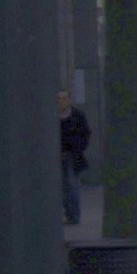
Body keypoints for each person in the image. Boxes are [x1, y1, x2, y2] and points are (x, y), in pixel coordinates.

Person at [58, 90, 90, 226]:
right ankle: (68, 213)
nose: (61, 101)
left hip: (72, 155)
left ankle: (73, 215)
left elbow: (86, 133)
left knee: (72, 186)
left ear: (70, 100)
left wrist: (78, 147)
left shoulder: (78, 115)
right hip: (58, 155)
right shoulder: (53, 116)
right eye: (59, 99)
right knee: (63, 187)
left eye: (64, 98)